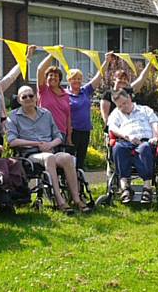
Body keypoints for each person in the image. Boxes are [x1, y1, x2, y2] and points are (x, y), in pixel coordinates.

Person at [7, 85, 91, 214]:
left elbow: (58, 136)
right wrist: (36, 144)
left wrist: (50, 144)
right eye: (24, 96)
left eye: (31, 95)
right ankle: (60, 200)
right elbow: (12, 141)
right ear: (19, 100)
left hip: (50, 149)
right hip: (30, 154)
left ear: (35, 97)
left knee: (67, 157)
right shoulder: (13, 116)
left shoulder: (46, 113)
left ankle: (76, 198)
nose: (28, 98)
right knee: (49, 158)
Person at [107, 89, 158, 204]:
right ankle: (125, 187)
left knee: (144, 148)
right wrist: (127, 136)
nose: (123, 107)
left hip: (145, 141)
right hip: (126, 141)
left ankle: (147, 188)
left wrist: (155, 137)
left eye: (124, 103)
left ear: (130, 98)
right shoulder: (116, 113)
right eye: (119, 106)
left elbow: (155, 124)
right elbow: (112, 128)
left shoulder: (145, 110)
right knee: (117, 148)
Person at [66, 62, 103, 169]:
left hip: (85, 130)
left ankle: (79, 182)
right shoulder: (64, 94)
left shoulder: (85, 91)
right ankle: (68, 180)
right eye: (74, 78)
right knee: (70, 158)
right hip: (72, 131)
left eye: (79, 78)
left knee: (81, 158)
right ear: (69, 80)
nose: (77, 81)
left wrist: (106, 61)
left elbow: (98, 77)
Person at [100, 53, 154, 125]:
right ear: (114, 79)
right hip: (115, 128)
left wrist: (150, 62)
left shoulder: (129, 91)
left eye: (125, 79)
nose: (123, 81)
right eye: (120, 78)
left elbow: (142, 78)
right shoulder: (107, 94)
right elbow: (105, 117)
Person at [36, 48, 71, 144]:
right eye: (50, 75)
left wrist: (69, 136)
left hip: (61, 133)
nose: (53, 77)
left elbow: (68, 117)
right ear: (46, 78)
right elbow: (40, 69)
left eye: (56, 76)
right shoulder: (43, 90)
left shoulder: (66, 95)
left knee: (61, 158)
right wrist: (53, 54)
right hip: (45, 132)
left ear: (60, 79)